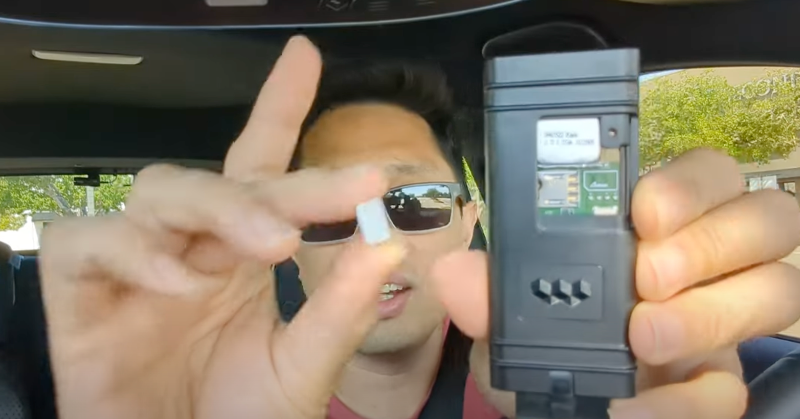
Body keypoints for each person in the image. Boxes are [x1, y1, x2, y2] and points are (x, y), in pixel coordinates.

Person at [38, 36, 800, 419]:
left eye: (414, 201)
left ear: (470, 221)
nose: (378, 241)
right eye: (329, 215)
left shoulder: (556, 381)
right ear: (288, 252)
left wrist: (586, 393)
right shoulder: (222, 396)